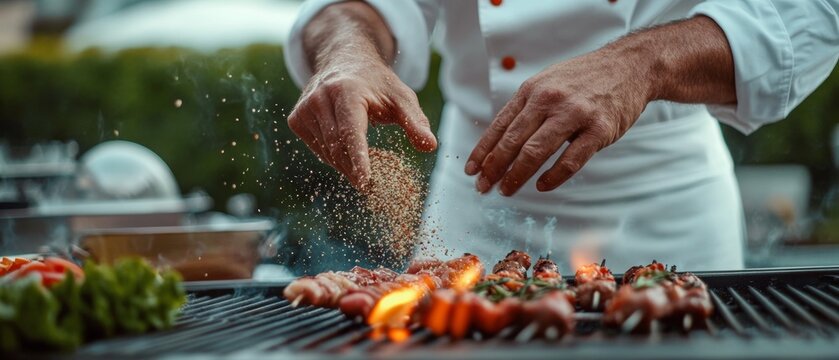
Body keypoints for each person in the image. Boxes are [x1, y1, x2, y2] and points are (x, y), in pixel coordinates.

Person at [284, 0, 839, 274]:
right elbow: (357, 8)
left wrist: (645, 62)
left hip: (666, 209)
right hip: (474, 208)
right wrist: (345, 52)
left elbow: (812, 11)